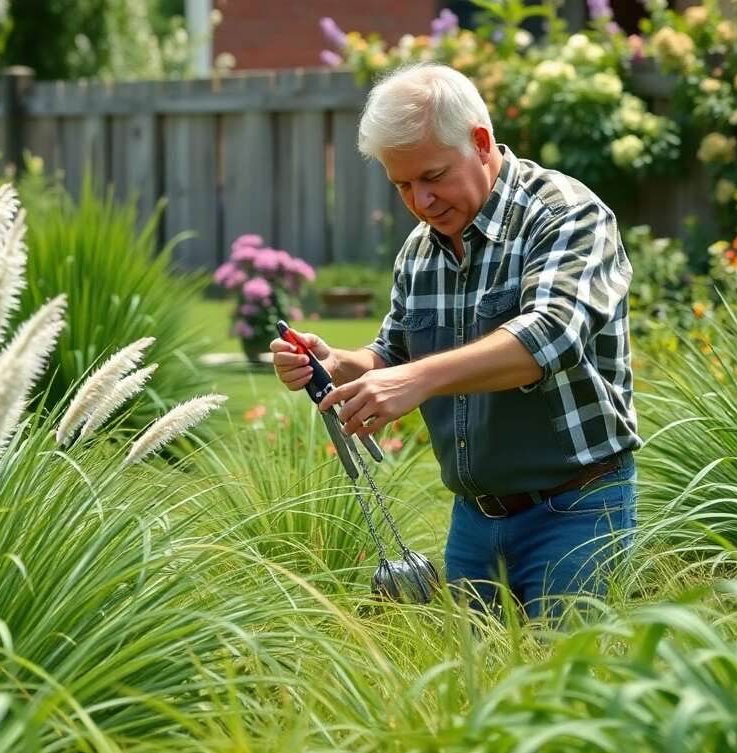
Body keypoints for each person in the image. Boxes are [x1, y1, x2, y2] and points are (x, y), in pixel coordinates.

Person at [270, 63, 640, 619]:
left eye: (433, 176)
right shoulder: (419, 252)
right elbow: (392, 354)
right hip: (474, 524)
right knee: (473, 701)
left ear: (481, 141)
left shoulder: (566, 214)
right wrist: (336, 362)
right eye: (402, 185)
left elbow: (550, 336)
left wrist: (416, 380)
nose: (421, 201)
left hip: (578, 510)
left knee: (571, 696)